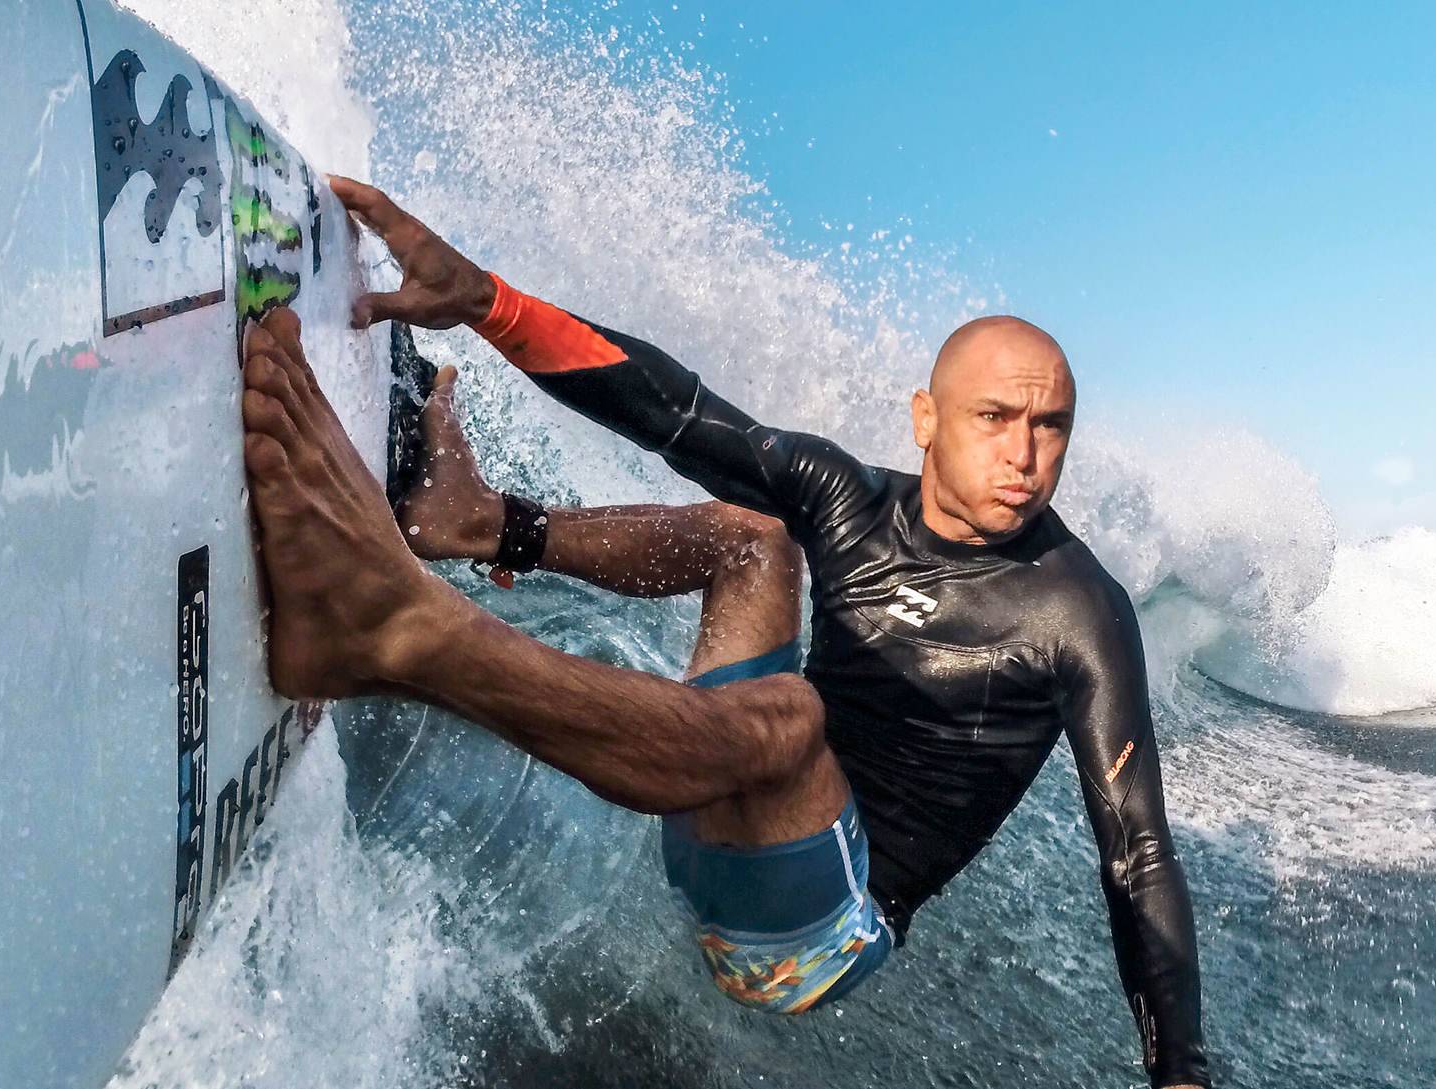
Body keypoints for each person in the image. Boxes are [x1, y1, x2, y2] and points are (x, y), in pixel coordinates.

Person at [237, 172, 1209, 1087]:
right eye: (996, 417)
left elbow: (1137, 852)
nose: (1026, 455)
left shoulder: (1075, 607)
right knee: (751, 538)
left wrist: (1178, 1071)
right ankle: (482, 522)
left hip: (819, 935)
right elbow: (674, 411)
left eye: (1051, 425)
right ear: (926, 416)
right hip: (725, 806)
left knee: (790, 717)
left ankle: (393, 634)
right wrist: (484, 300)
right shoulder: (851, 500)